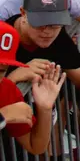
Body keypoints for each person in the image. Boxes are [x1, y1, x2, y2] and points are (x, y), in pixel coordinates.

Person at [0, 20, 65, 156]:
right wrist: (3, 115)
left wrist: (45, 109)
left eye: (1, 70)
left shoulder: (6, 89)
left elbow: (35, 146)